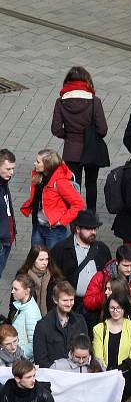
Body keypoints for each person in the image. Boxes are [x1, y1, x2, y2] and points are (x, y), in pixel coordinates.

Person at [50, 66, 108, 212]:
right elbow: (103, 130)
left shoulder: (60, 102)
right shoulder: (95, 101)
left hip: (71, 152)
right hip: (91, 150)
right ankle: (91, 216)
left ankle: (74, 218)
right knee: (91, 184)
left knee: (74, 187)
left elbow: (56, 129)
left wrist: (69, 135)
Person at [20, 148, 84, 249]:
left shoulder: (59, 182)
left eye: (38, 162)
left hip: (54, 231)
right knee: (36, 259)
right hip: (38, 226)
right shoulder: (38, 177)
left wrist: (62, 221)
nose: (34, 163)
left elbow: (78, 204)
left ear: (47, 165)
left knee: (54, 262)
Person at [49, 209, 111, 314]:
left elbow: (110, 275)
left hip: (96, 306)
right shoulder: (61, 249)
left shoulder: (102, 249)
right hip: (71, 307)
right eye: (89, 229)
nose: (93, 232)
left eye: (95, 229)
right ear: (77, 229)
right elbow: (52, 281)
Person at [32, 279, 88, 366]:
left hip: (77, 373)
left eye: (71, 300)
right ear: (55, 300)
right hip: (53, 376)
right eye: (65, 300)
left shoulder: (80, 321)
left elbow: (86, 348)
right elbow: (40, 360)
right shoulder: (43, 326)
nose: (69, 304)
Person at [15, 244, 64, 316]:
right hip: (27, 317)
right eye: (41, 260)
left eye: (47, 259)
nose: (45, 263)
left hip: (49, 319)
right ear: (33, 260)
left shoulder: (54, 277)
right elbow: (14, 300)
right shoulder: (23, 276)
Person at [9, 274, 42, 358]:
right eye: (12, 288)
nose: (12, 291)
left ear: (27, 291)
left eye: (16, 289)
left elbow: (34, 345)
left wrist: (15, 356)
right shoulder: (22, 306)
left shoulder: (31, 314)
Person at [0, 149, 16, 280]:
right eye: (8, 168)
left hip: (7, 239)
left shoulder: (3, 183)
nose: (12, 172)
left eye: (13, 168)